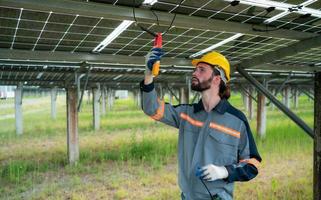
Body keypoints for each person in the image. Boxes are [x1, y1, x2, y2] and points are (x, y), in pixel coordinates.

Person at [140, 48, 262, 200]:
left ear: (217, 79)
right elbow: (151, 108)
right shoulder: (186, 114)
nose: (194, 73)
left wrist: (224, 171)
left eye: (201, 70)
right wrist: (148, 74)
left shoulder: (237, 121)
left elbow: (252, 164)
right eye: (195, 69)